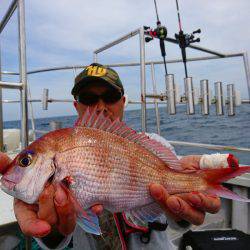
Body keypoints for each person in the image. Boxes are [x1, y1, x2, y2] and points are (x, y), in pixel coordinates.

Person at [0, 63, 221, 249]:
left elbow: (178, 222)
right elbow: (55, 240)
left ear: (123, 101)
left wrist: (180, 212)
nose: (100, 107)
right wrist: (52, 228)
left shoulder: (156, 146)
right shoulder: (61, 150)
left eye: (111, 96)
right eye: (88, 98)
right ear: (76, 105)